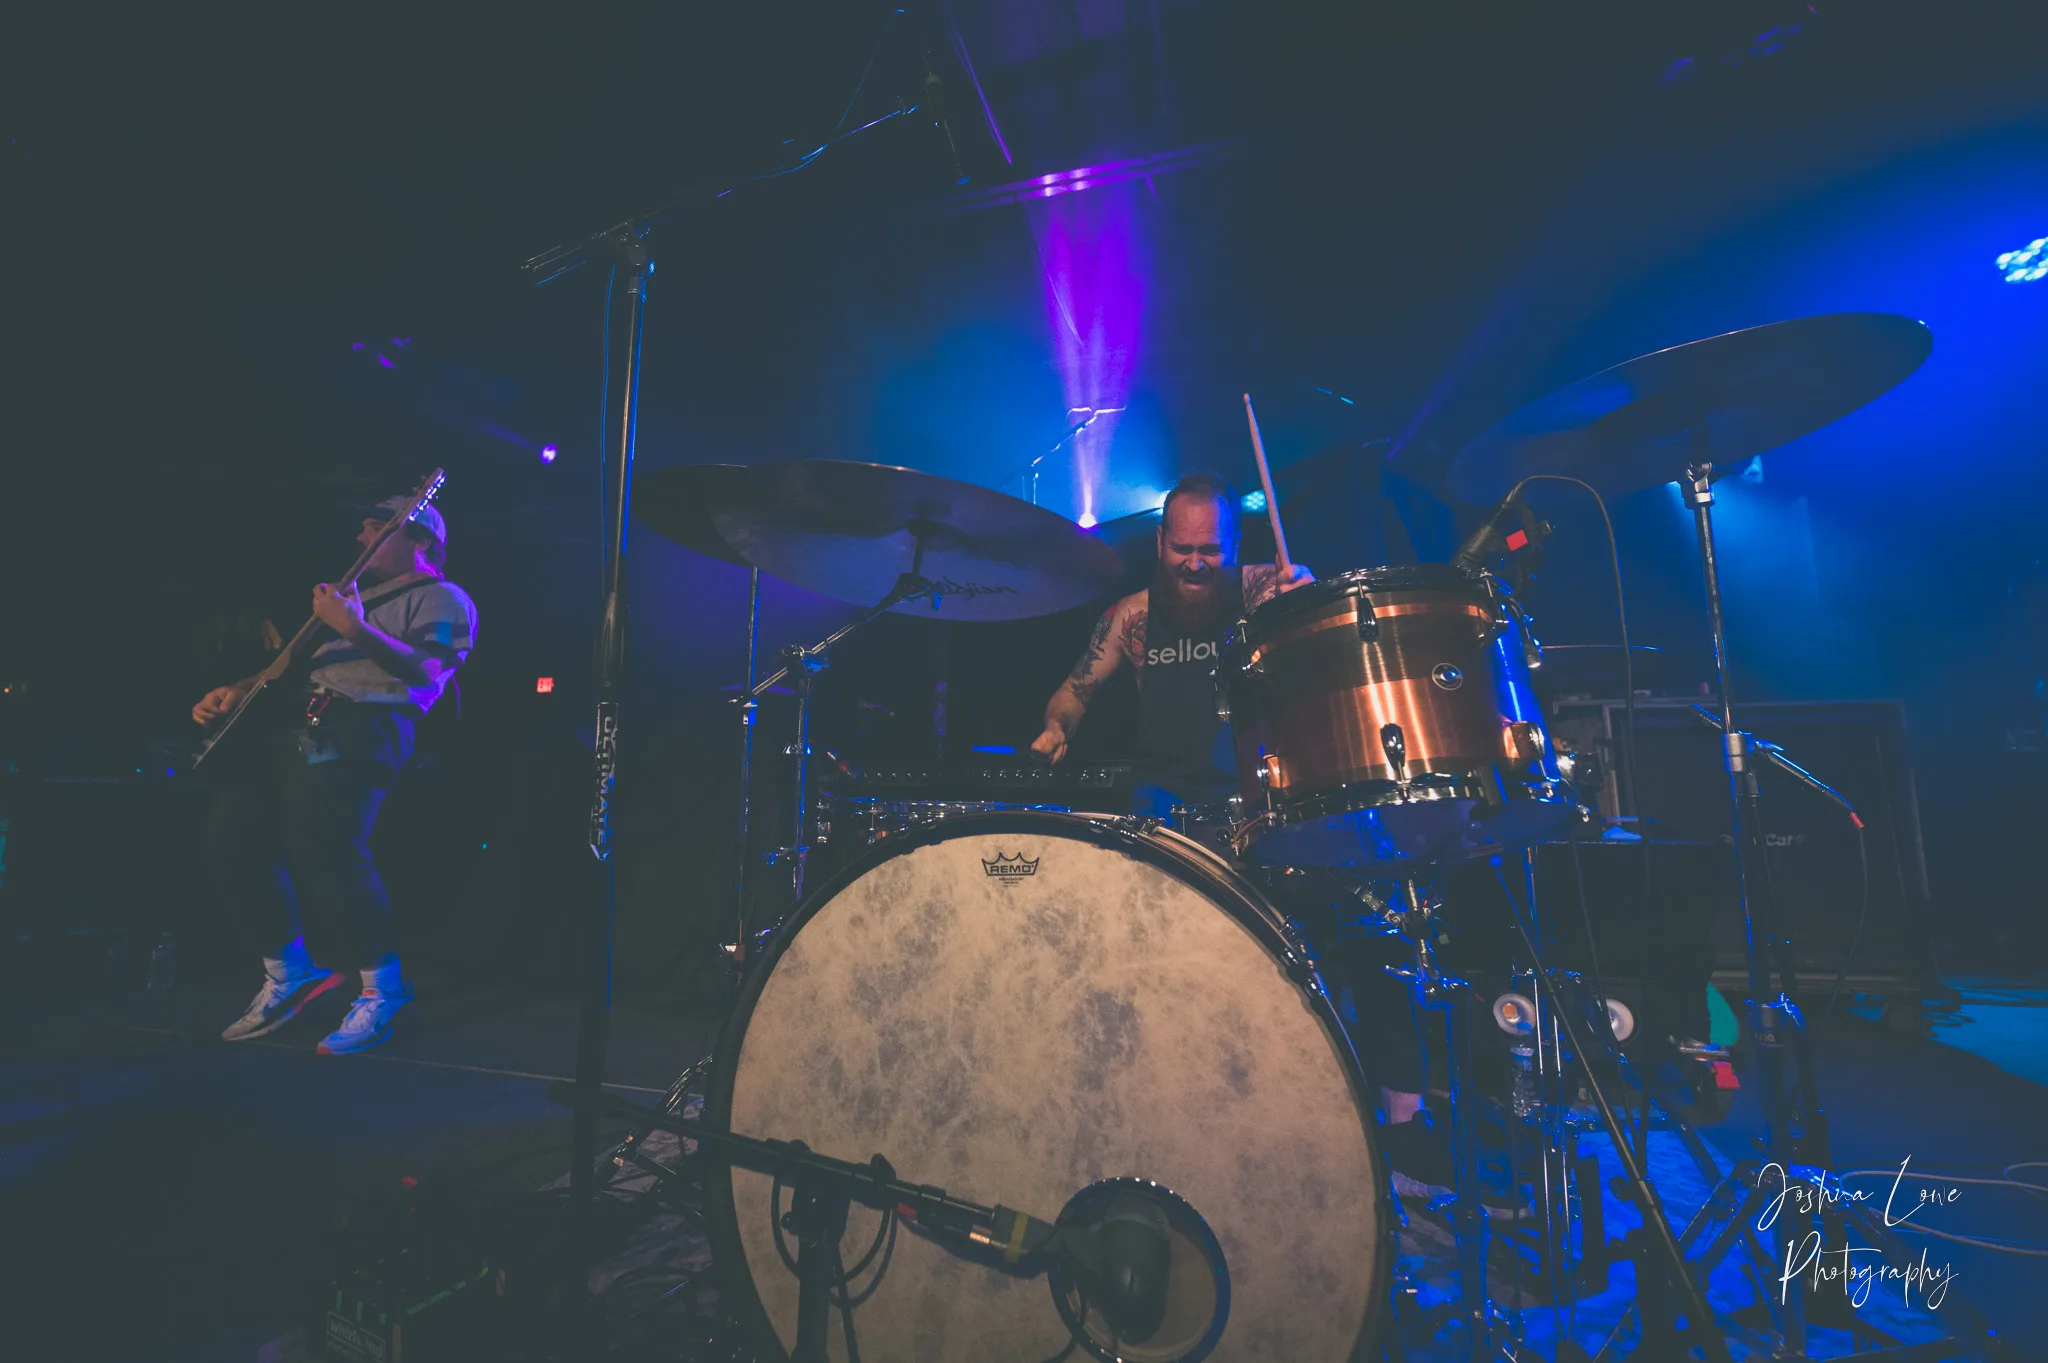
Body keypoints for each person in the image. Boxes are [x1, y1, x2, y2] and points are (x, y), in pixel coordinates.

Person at [1030, 473, 1456, 1195]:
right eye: (1183, 550)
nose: (1196, 565)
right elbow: (1073, 691)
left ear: (1234, 547)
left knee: (1375, 918)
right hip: (1174, 811)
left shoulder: (1264, 590)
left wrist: (1307, 599)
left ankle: (1404, 1128)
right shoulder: (1132, 617)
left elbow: (1317, 625)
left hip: (1268, 802)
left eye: (1211, 551)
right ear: (1160, 543)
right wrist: (1055, 727)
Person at [192, 497, 477, 1055]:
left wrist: (354, 626)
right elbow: (290, 667)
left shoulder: (442, 596)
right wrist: (237, 689)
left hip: (361, 726)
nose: (362, 537)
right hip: (292, 726)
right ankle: (289, 972)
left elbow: (427, 673)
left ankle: (384, 988)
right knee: (235, 839)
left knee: (329, 851)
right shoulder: (351, 599)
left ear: (420, 540)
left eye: (378, 527)